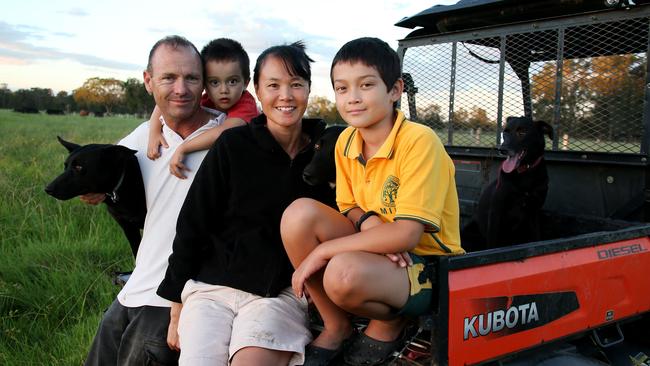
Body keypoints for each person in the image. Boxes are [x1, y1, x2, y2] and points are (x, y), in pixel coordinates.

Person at [280, 37, 464, 366]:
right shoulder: (346, 140)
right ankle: (336, 325)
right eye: (342, 88)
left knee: (342, 274)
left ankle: (390, 320)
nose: (353, 99)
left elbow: (407, 235)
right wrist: (372, 224)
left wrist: (322, 252)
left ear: (394, 90)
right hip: (381, 252)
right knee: (298, 215)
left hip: (425, 266)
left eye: (366, 85)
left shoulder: (419, 142)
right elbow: (348, 205)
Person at [156, 41, 333, 366]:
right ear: (257, 90)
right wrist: (176, 304)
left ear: (309, 88)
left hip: (279, 294)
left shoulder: (327, 150)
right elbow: (193, 222)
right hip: (211, 289)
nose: (285, 96)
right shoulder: (233, 145)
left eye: (296, 84)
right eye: (274, 85)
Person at [82, 35, 226, 366]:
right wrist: (101, 192)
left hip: (180, 294)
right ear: (148, 81)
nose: (181, 88)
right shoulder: (137, 141)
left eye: (191, 78)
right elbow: (108, 181)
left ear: (203, 82)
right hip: (135, 287)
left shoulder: (226, 139)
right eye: (169, 78)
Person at [147, 38, 259, 178]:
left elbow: (224, 131)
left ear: (245, 83)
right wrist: (154, 132)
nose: (223, 90)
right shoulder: (205, 98)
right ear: (204, 84)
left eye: (232, 81)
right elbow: (162, 105)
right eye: (214, 82)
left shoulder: (246, 103)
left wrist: (185, 147)